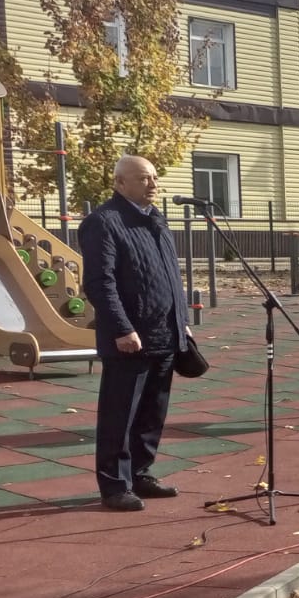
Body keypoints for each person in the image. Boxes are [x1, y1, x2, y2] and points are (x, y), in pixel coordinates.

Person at [79, 155, 193, 512]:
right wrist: (122, 327)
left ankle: (140, 474)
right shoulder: (103, 222)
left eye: (155, 177)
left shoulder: (155, 220)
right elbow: (100, 283)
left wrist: (182, 320)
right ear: (119, 183)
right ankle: (114, 485)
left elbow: (170, 276)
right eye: (144, 179)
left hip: (164, 334)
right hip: (130, 339)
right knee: (120, 413)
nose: (153, 185)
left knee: (152, 411)